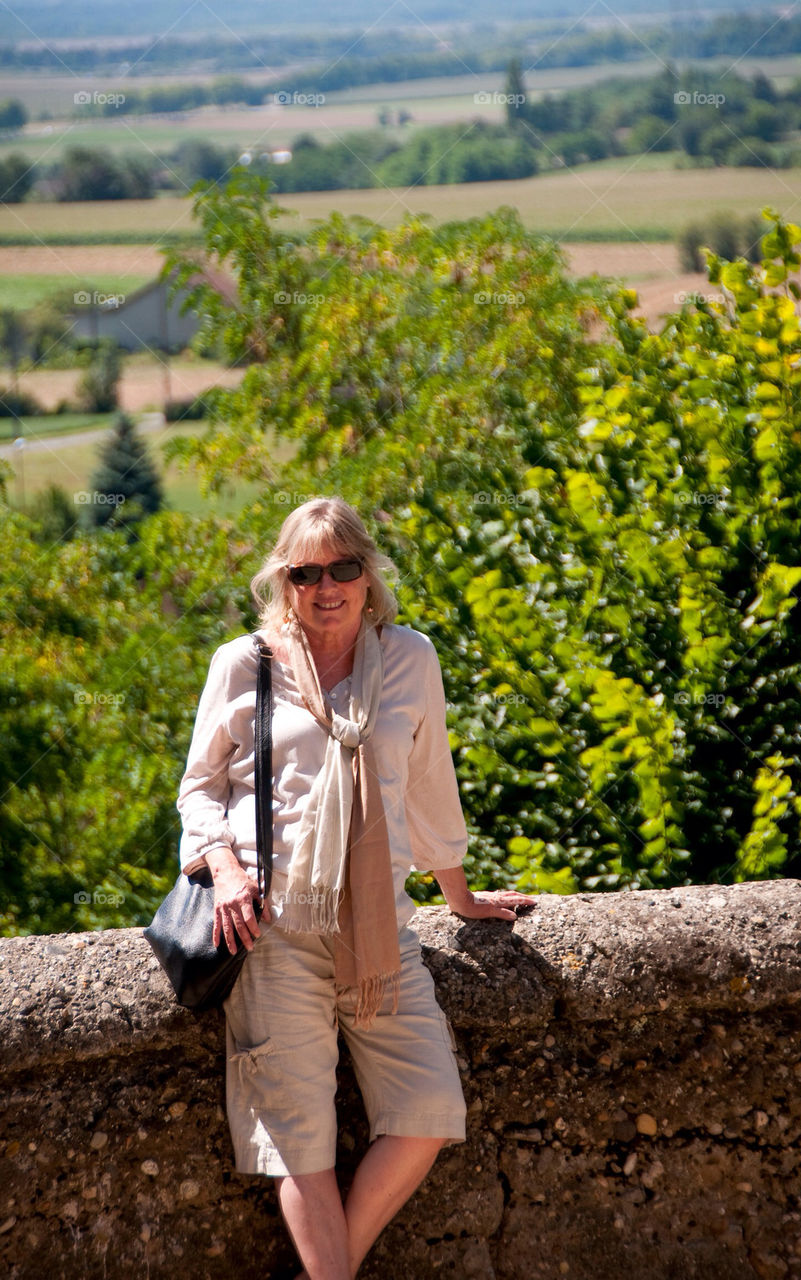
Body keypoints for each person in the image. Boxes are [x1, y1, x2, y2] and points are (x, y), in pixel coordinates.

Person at [177, 496, 534, 1280]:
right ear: (285, 582)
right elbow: (199, 790)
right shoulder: (246, 663)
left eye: (344, 567)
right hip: (272, 931)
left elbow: (431, 788)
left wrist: (462, 899)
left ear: (370, 576)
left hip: (381, 933)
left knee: (429, 1110)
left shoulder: (411, 658)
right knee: (300, 1140)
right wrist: (225, 865)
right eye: (307, 572)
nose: (327, 586)